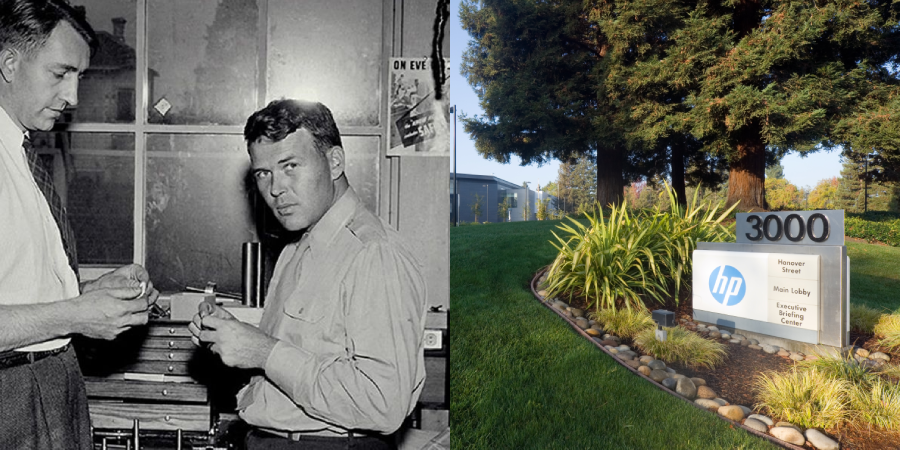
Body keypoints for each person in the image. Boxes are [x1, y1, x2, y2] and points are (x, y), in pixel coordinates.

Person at [189, 99, 427, 450]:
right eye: (263, 173)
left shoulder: (373, 253)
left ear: (334, 162)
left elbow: (383, 403)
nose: (275, 189)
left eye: (290, 166)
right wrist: (233, 339)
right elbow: (302, 356)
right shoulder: (296, 248)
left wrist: (263, 351)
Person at [0, 1, 159, 448]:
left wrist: (92, 295)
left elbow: (18, 291)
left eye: (80, 78)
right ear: (9, 63)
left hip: (53, 382)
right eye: (60, 74)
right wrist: (75, 315)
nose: (73, 96)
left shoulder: (22, 153)